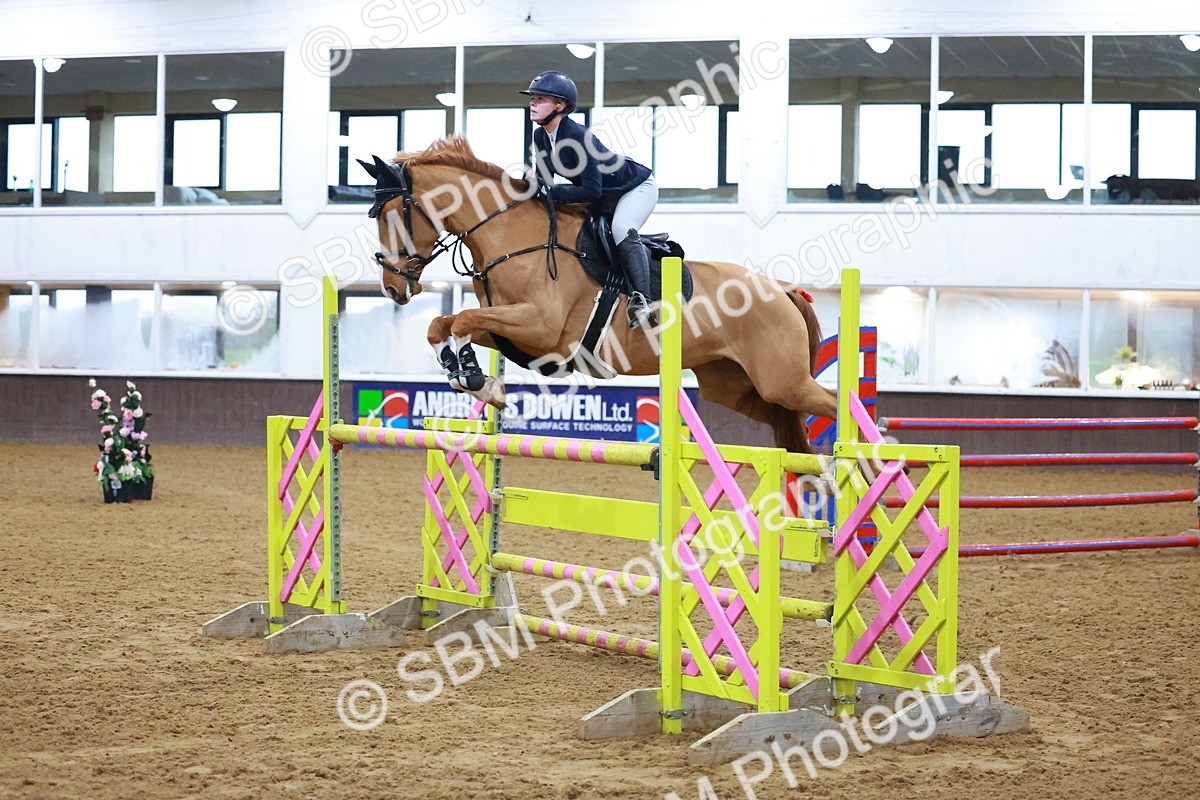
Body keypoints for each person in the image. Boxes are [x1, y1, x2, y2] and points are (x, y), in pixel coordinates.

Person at [521, 70, 659, 328]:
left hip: (635, 188)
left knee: (621, 229)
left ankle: (643, 299)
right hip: (603, 198)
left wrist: (548, 193)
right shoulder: (540, 136)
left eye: (540, 98)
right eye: (532, 98)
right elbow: (544, 183)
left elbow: (590, 191)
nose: (533, 103)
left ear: (559, 106)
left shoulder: (577, 136)